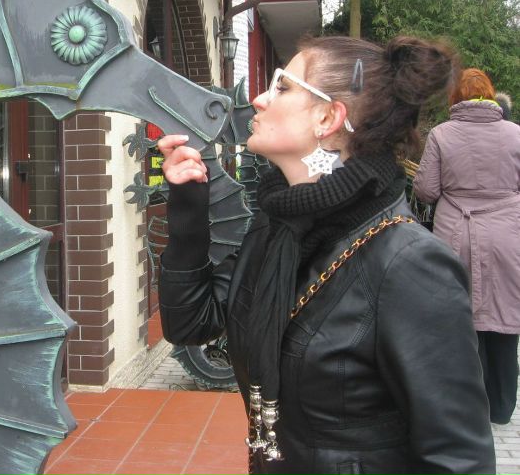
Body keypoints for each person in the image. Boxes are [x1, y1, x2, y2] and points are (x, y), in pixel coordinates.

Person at [158, 36, 495, 475]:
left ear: (328, 117)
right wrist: (188, 207)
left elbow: (460, 458)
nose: (259, 99)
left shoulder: (409, 263)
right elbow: (191, 323)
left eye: (282, 86)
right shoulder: (277, 226)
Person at [414, 68, 520, 426]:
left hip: (455, 231)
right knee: (505, 315)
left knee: (458, 315)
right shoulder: (515, 134)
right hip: (507, 234)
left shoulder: (442, 134)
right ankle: (501, 407)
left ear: (455, 98)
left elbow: (426, 190)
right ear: (490, 95)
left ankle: (463, 404)